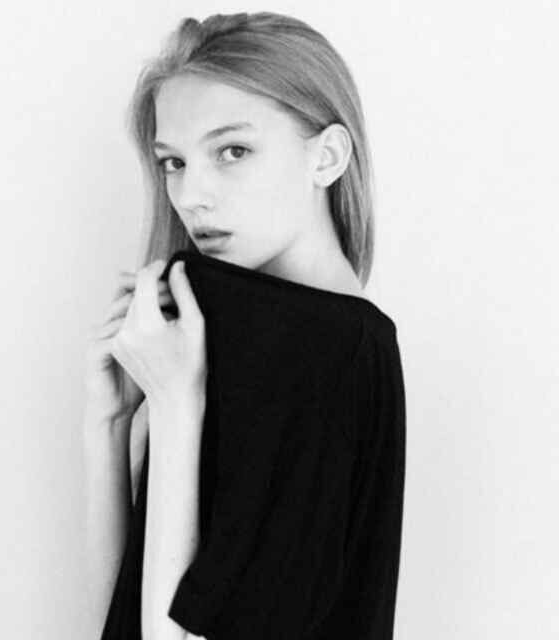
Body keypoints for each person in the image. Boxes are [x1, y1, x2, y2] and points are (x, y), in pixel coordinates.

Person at [82, 11, 403, 639]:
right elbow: (124, 623)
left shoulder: (328, 351)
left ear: (327, 157)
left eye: (232, 151)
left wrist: (176, 406)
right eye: (173, 162)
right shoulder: (232, 334)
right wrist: (109, 425)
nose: (191, 195)